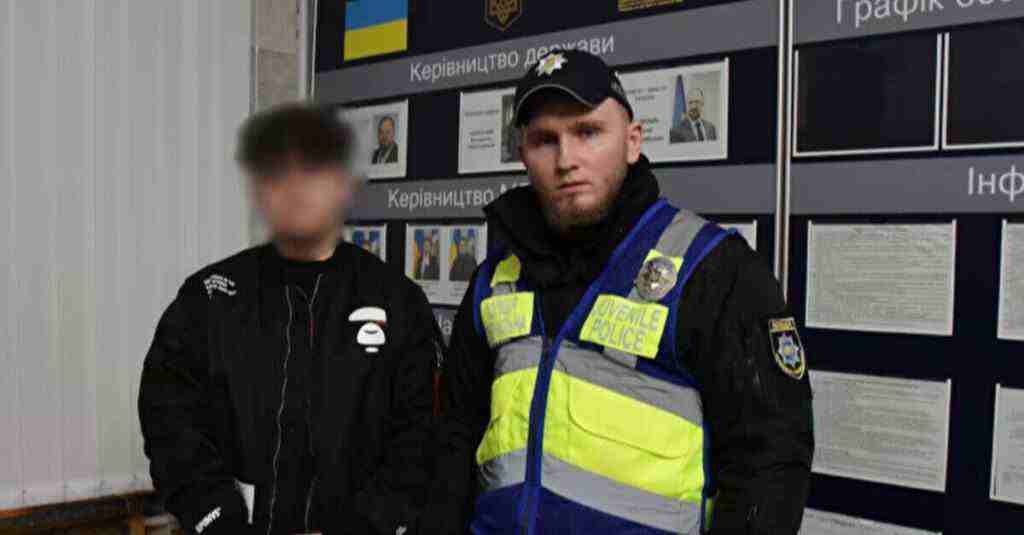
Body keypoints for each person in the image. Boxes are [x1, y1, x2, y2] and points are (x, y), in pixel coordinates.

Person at [427, 50, 813, 534]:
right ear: (523, 154)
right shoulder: (494, 279)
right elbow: (456, 443)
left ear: (632, 142)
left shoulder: (713, 269)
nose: (566, 160)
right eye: (545, 140)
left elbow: (770, 463)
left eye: (588, 132)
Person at [139, 104, 437, 535]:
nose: (296, 186)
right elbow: (169, 419)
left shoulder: (398, 302)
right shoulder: (209, 298)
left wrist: (369, 524)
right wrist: (214, 514)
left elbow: (419, 438)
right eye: (279, 171)